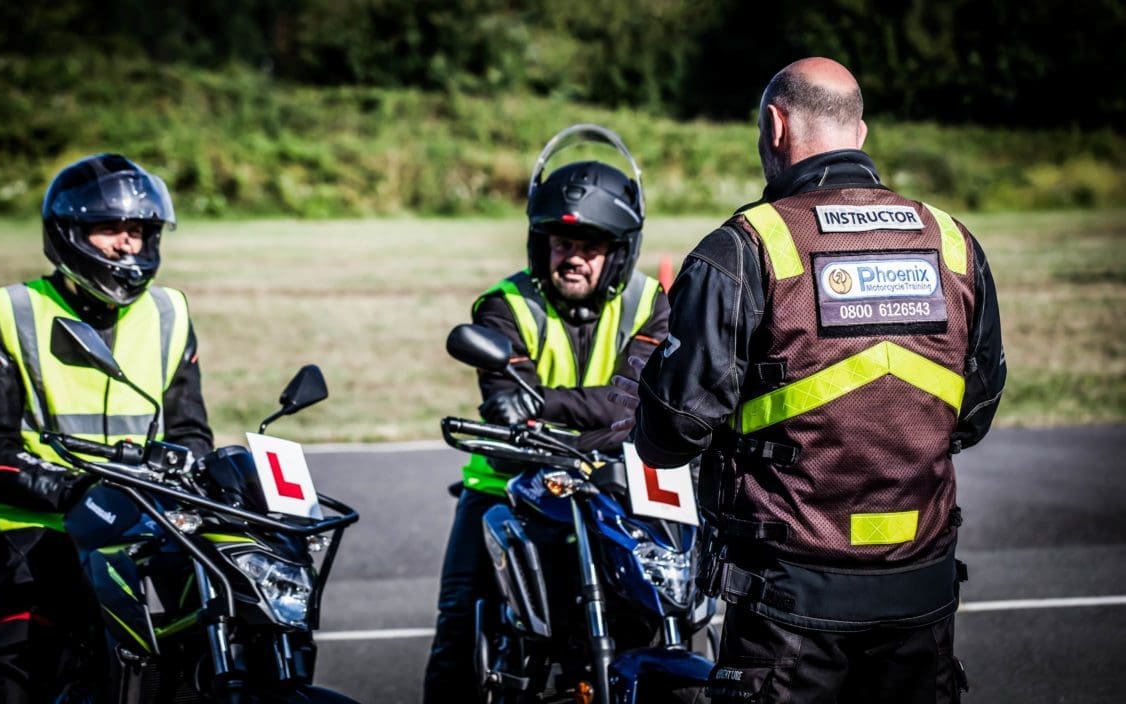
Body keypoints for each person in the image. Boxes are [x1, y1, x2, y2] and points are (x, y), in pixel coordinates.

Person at [625, 58, 1007, 702]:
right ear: (860, 133)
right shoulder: (952, 242)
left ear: (775, 127)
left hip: (788, 610)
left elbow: (672, 432)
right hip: (922, 597)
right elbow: (975, 410)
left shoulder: (746, 248)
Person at [423, 124, 671, 703]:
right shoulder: (504, 306)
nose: (574, 257)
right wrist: (598, 417)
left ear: (619, 250)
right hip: (508, 484)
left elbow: (632, 402)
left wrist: (550, 404)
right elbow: (505, 401)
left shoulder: (651, 305)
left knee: (662, 615)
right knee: (458, 626)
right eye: (562, 243)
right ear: (540, 243)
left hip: (621, 486)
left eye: (591, 244)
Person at [0, 153, 213, 702]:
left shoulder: (169, 314)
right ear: (69, 234)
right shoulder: (14, 311)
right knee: (17, 680)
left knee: (201, 654)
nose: (128, 244)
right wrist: (75, 491)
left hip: (143, 527)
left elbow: (192, 434)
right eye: (110, 229)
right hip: (34, 531)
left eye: (139, 230)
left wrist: (185, 474)